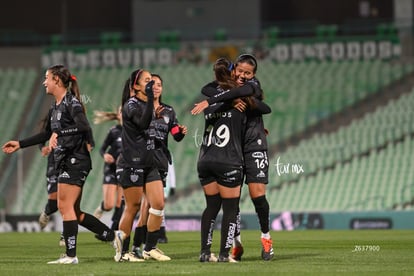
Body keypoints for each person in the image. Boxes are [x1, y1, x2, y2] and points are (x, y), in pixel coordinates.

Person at [2, 64, 115, 264]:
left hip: (76, 160)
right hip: (65, 160)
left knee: (64, 206)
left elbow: (83, 126)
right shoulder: (55, 106)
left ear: (57, 80)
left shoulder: (72, 103)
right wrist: (20, 144)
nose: (44, 81)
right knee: (75, 213)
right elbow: (47, 134)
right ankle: (114, 237)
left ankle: (71, 256)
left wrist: (60, 133)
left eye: (47, 77)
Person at [192, 54, 274, 261]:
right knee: (232, 200)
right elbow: (207, 88)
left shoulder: (252, 86)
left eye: (248, 73)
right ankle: (236, 242)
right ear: (234, 69)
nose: (243, 76)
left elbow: (264, 107)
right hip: (233, 145)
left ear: (254, 75)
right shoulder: (227, 87)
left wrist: (230, 98)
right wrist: (231, 97)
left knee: (257, 196)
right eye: (240, 71)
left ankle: (266, 238)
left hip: (253, 144)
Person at [191, 57, 247, 263]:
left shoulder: (210, 103)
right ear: (233, 73)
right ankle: (224, 254)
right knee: (231, 209)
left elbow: (209, 89)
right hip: (228, 160)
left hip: (205, 160)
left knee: (211, 207)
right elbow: (261, 108)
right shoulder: (240, 102)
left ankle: (205, 252)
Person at [113, 69, 171, 262]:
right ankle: (122, 252)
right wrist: (150, 103)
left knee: (158, 204)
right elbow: (144, 123)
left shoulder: (148, 104)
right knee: (133, 207)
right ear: (136, 86)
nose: (152, 85)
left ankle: (149, 248)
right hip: (132, 163)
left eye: (153, 82)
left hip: (150, 163)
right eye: (147, 81)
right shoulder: (131, 105)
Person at [129, 73, 187, 258]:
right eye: (152, 84)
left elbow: (175, 133)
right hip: (143, 161)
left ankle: (140, 247)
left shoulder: (168, 111)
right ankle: (145, 247)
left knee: (148, 206)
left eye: (159, 85)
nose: (155, 87)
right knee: (148, 205)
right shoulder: (140, 109)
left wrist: (181, 132)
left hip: (160, 161)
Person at [92, 107, 124, 232]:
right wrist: (105, 155)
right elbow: (102, 148)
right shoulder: (113, 131)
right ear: (118, 115)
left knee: (120, 204)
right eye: (121, 111)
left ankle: (114, 231)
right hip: (111, 169)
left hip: (124, 170)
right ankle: (101, 208)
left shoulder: (133, 131)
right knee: (109, 205)